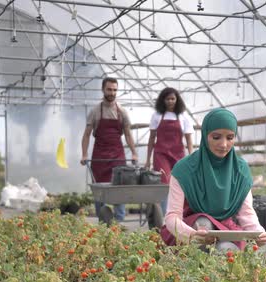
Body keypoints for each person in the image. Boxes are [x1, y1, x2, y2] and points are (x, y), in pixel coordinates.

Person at [160, 108, 266, 251]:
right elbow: (172, 217)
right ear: (205, 136)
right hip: (186, 232)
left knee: (225, 250)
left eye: (230, 138)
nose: (224, 145)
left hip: (225, 230)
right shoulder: (184, 169)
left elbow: (246, 212)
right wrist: (191, 235)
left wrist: (258, 232)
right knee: (203, 222)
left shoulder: (240, 170)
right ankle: (197, 267)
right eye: (216, 137)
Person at [81, 77, 138, 222]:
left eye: (115, 90)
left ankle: (120, 220)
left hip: (117, 154)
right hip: (99, 155)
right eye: (109, 89)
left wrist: (134, 152)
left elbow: (128, 134)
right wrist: (84, 154)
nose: (112, 93)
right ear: (103, 90)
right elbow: (86, 135)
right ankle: (102, 220)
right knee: (99, 189)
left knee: (119, 187)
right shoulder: (95, 111)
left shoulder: (122, 112)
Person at [145, 87, 194, 214]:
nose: (170, 101)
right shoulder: (157, 116)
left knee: (180, 183)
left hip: (178, 154)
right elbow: (151, 138)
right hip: (161, 154)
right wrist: (147, 160)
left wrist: (192, 156)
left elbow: (189, 139)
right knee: (164, 183)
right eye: (167, 99)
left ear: (177, 100)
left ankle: (181, 213)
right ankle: (165, 214)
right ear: (163, 100)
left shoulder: (183, 116)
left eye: (173, 99)